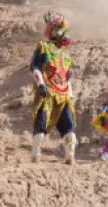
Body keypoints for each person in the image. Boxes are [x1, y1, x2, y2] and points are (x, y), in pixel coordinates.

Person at [30, 11, 77, 164]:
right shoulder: (43, 47)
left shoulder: (65, 55)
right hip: (48, 90)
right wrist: (41, 84)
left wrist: (69, 94)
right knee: (41, 122)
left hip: (62, 93)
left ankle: (70, 157)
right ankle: (36, 155)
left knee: (68, 126)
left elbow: (67, 77)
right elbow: (35, 67)